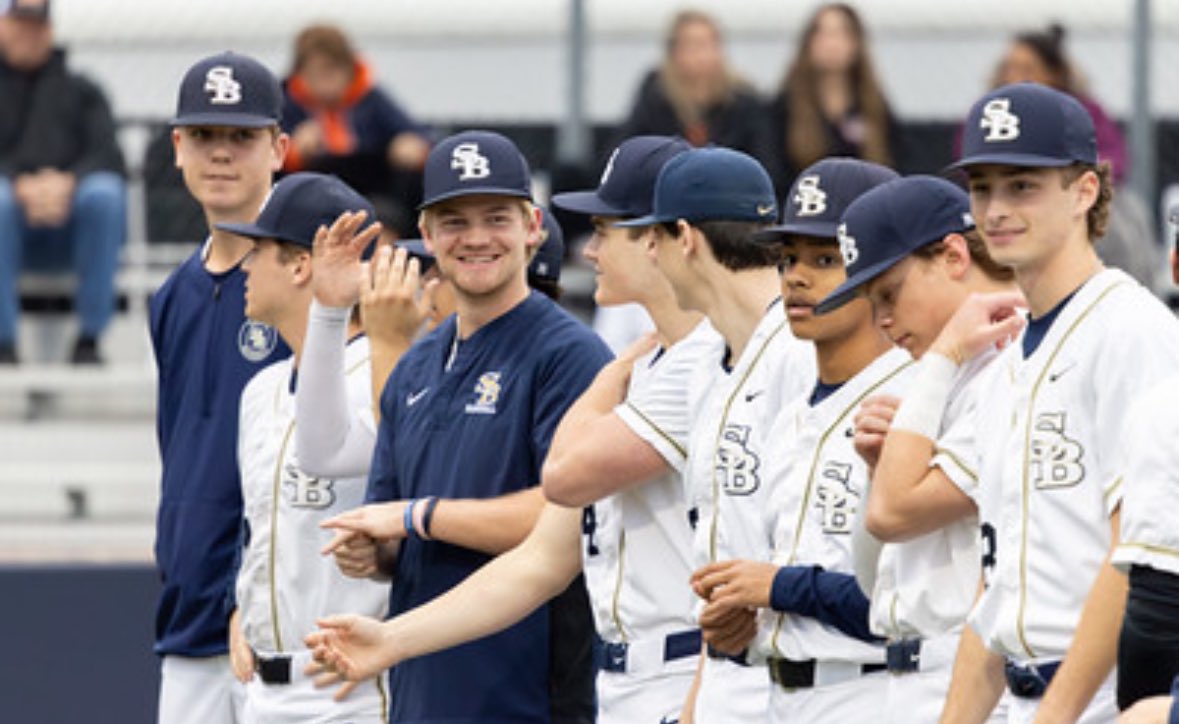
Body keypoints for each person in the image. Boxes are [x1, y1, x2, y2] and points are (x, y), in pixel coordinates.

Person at [305, 135, 715, 723]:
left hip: (527, 689)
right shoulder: (415, 362)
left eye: (496, 218)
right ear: (427, 231)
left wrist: (416, 516)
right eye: (453, 221)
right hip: (423, 684)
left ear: (533, 226)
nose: (475, 238)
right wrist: (377, 548)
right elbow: (390, 519)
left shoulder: (571, 354)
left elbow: (558, 526)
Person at [936, 82, 1179, 723]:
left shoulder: (1132, 330)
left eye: (1022, 185)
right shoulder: (1008, 356)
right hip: (1023, 694)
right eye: (982, 187)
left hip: (1108, 699)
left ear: (1085, 191)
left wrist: (1057, 716)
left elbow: (1133, 556)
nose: (995, 208)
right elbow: (997, 584)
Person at [690, 157, 907, 723]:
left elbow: (909, 604)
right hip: (779, 693)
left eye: (826, 259)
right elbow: (790, 579)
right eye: (788, 259)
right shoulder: (789, 413)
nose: (796, 278)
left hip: (874, 693)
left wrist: (778, 587)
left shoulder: (906, 401)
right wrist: (744, 620)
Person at [611, 146, 815, 723]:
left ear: (687, 237)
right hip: (726, 669)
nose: (649, 251)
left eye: (656, 236)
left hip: (798, 671)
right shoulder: (704, 360)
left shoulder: (800, 353)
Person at [812, 175, 1019, 723]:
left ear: (953, 255)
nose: (881, 320)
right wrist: (886, 463)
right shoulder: (942, 380)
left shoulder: (1007, 365)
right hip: (909, 676)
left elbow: (894, 512)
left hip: (974, 677)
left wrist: (944, 354)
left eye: (889, 293)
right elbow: (870, 572)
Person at [213, 173, 390, 722]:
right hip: (260, 685)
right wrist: (244, 607)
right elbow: (260, 529)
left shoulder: (383, 376)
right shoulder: (259, 390)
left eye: (258, 249)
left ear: (300, 264)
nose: (244, 265)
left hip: (350, 689)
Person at [149, 50, 292, 724]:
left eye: (242, 136)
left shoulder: (307, 285)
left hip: (282, 626)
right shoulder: (171, 294)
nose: (221, 154)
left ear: (279, 149)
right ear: (178, 148)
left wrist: (256, 592)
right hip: (188, 616)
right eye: (204, 135)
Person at [0, 0, 126, 364]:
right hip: (9, 224)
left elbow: (108, 154)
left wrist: (68, 184)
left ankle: (89, 340)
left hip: (71, 226)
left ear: (50, 30)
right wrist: (19, 184)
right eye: (19, 23)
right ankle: (4, 344)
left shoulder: (83, 92)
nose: (29, 33)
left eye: (36, 25)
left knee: (104, 194)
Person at [986, 24, 1160, 288]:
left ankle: (1123, 288)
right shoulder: (991, 115)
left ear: (1054, 74)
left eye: (1027, 69)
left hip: (1077, 200)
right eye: (1009, 67)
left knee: (1123, 214)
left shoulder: (1082, 111)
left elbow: (1114, 160)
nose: (1015, 77)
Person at [281, 23, 431, 237]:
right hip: (309, 203)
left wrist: (411, 144)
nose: (325, 82)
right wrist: (294, 152)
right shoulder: (284, 103)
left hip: (374, 201)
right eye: (315, 73)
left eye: (332, 70)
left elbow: (420, 137)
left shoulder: (372, 100)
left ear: (349, 69)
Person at [765, 3, 900, 197]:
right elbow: (775, 174)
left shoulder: (874, 108)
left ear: (857, 43)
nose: (832, 44)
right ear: (808, 43)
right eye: (823, 34)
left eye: (841, 34)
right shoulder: (784, 109)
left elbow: (895, 165)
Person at [618, 10, 770, 163]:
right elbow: (626, 153)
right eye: (693, 45)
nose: (702, 55)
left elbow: (765, 163)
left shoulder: (743, 100)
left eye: (710, 44)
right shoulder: (656, 96)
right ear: (674, 51)